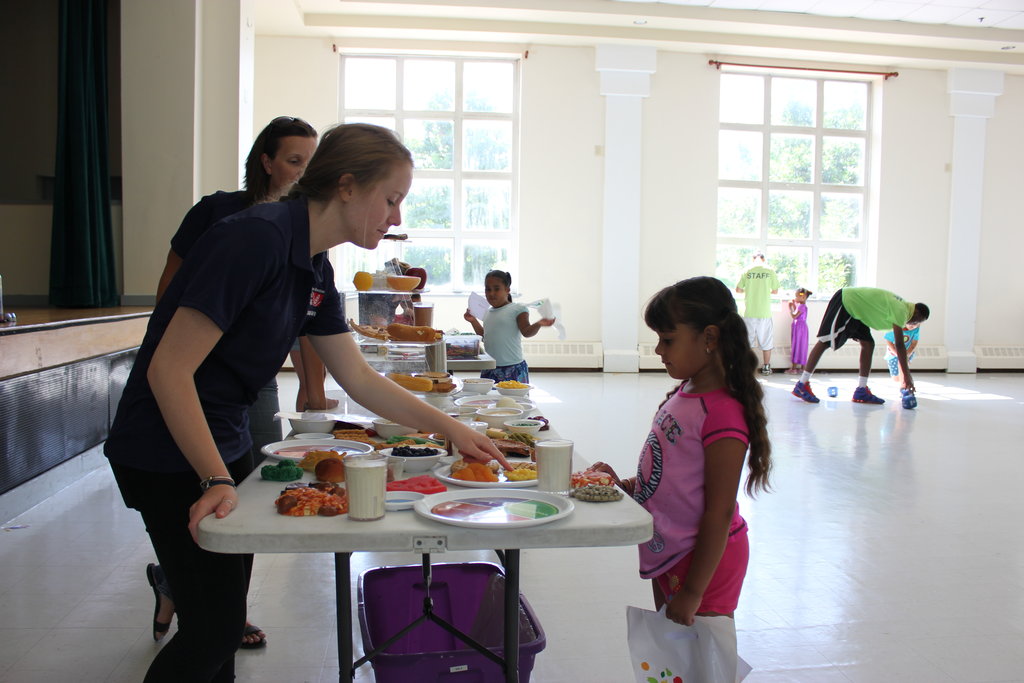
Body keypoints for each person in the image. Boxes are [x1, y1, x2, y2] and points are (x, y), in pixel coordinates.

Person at [105, 123, 509, 683]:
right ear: (346, 186)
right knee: (214, 629)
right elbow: (169, 370)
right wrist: (214, 479)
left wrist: (451, 429)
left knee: (217, 623)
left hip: (221, 438)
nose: (396, 218)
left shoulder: (314, 264)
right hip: (168, 448)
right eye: (390, 199)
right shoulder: (253, 240)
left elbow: (358, 377)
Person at [147, 116, 319, 649]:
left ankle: (221, 611)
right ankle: (199, 600)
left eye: (311, 164)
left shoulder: (307, 230)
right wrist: (185, 344)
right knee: (205, 491)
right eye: (293, 161)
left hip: (251, 381)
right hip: (193, 377)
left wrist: (311, 386)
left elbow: (308, 318)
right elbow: (171, 289)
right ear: (266, 161)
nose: (301, 174)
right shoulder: (224, 215)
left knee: (244, 494)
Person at [590, 276, 771, 662]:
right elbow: (671, 475)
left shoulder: (723, 412)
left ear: (709, 337)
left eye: (667, 339)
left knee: (704, 662)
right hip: (671, 551)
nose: (658, 349)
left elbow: (719, 510)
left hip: (705, 562)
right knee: (674, 660)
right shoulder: (685, 392)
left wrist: (692, 592)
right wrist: (624, 485)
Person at [792, 287, 929, 405]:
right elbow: (899, 345)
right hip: (846, 300)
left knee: (868, 343)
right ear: (916, 314)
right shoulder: (902, 311)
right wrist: (907, 377)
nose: (914, 324)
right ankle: (802, 384)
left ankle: (861, 391)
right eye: (917, 321)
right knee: (825, 340)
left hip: (858, 311)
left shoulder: (904, 308)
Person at [463, 270, 555, 384]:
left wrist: (538, 324)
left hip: (512, 368)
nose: (491, 293)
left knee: (514, 401)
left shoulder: (517, 309)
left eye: (497, 289)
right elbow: (485, 335)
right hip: (490, 367)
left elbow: (526, 332)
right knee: (490, 400)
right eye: (488, 289)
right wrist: (473, 321)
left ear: (507, 290)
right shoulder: (487, 312)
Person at [735, 252, 779, 376]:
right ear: (764, 259)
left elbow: (738, 289)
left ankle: (748, 368)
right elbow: (775, 291)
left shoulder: (747, 270)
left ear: (753, 259)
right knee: (766, 341)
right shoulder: (770, 271)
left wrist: (749, 289)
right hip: (764, 312)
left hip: (749, 311)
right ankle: (766, 367)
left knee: (748, 342)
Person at [787, 287, 812, 374]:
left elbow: (794, 316)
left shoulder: (802, 306)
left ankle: (794, 368)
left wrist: (790, 308)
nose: (796, 298)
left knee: (798, 345)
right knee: (800, 345)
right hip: (799, 327)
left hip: (800, 328)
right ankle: (801, 368)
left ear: (803, 297)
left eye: (797, 296)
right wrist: (794, 306)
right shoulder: (801, 306)